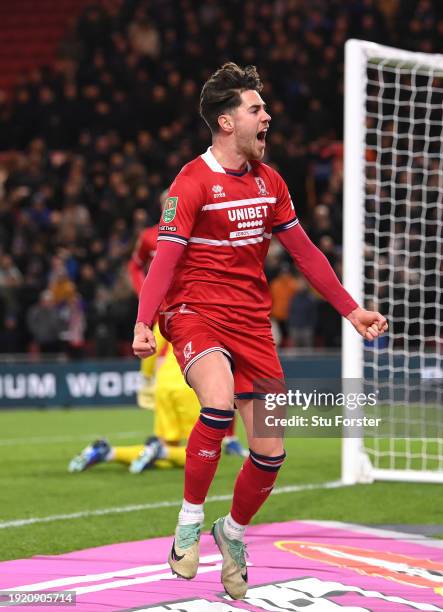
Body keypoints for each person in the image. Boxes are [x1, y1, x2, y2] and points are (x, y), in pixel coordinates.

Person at [132, 62, 387, 600]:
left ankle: (232, 533)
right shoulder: (192, 181)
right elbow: (164, 258)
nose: (267, 116)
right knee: (218, 404)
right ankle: (187, 527)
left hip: (252, 322)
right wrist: (143, 322)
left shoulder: (272, 182)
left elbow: (305, 253)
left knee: (271, 452)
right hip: (195, 312)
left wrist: (350, 309)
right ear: (227, 122)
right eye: (256, 109)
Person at [128, 207, 246, 456]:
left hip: (196, 309)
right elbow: (135, 266)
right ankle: (165, 437)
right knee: (157, 370)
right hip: (161, 313)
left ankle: (229, 437)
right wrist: (145, 295)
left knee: (224, 369)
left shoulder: (200, 233)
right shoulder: (150, 237)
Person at [68, 325, 199, 474]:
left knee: (168, 448)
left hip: (163, 384)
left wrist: (147, 377)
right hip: (191, 382)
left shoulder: (171, 312)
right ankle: (159, 452)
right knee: (200, 453)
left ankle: (108, 452)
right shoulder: (212, 311)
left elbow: (151, 343)